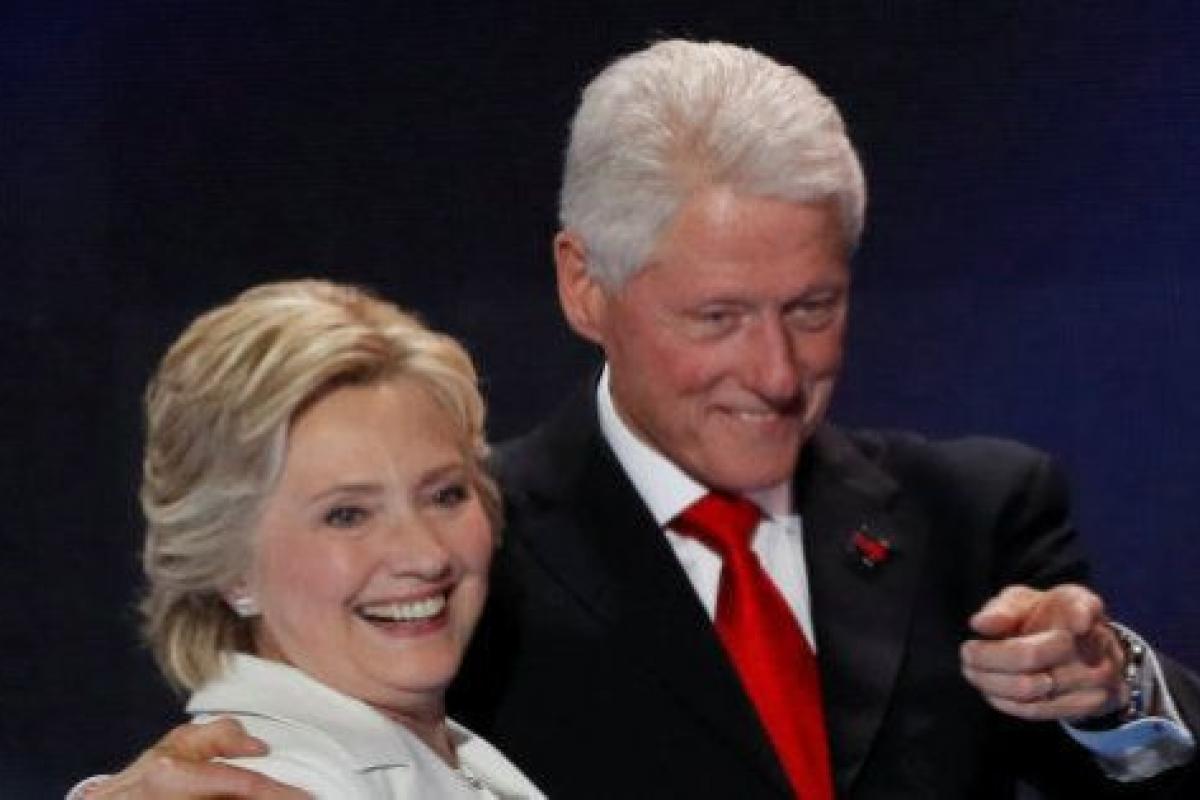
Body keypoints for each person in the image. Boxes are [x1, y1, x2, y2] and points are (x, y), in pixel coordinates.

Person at [82, 40, 1198, 799]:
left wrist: (1120, 688)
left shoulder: (978, 515)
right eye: (718, 315)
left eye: (812, 307)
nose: (777, 371)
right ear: (585, 285)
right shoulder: (476, 569)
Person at [76, 280, 545, 799]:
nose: (426, 554)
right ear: (232, 566)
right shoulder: (272, 781)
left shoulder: (446, 755)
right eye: (347, 515)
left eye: (445, 495)